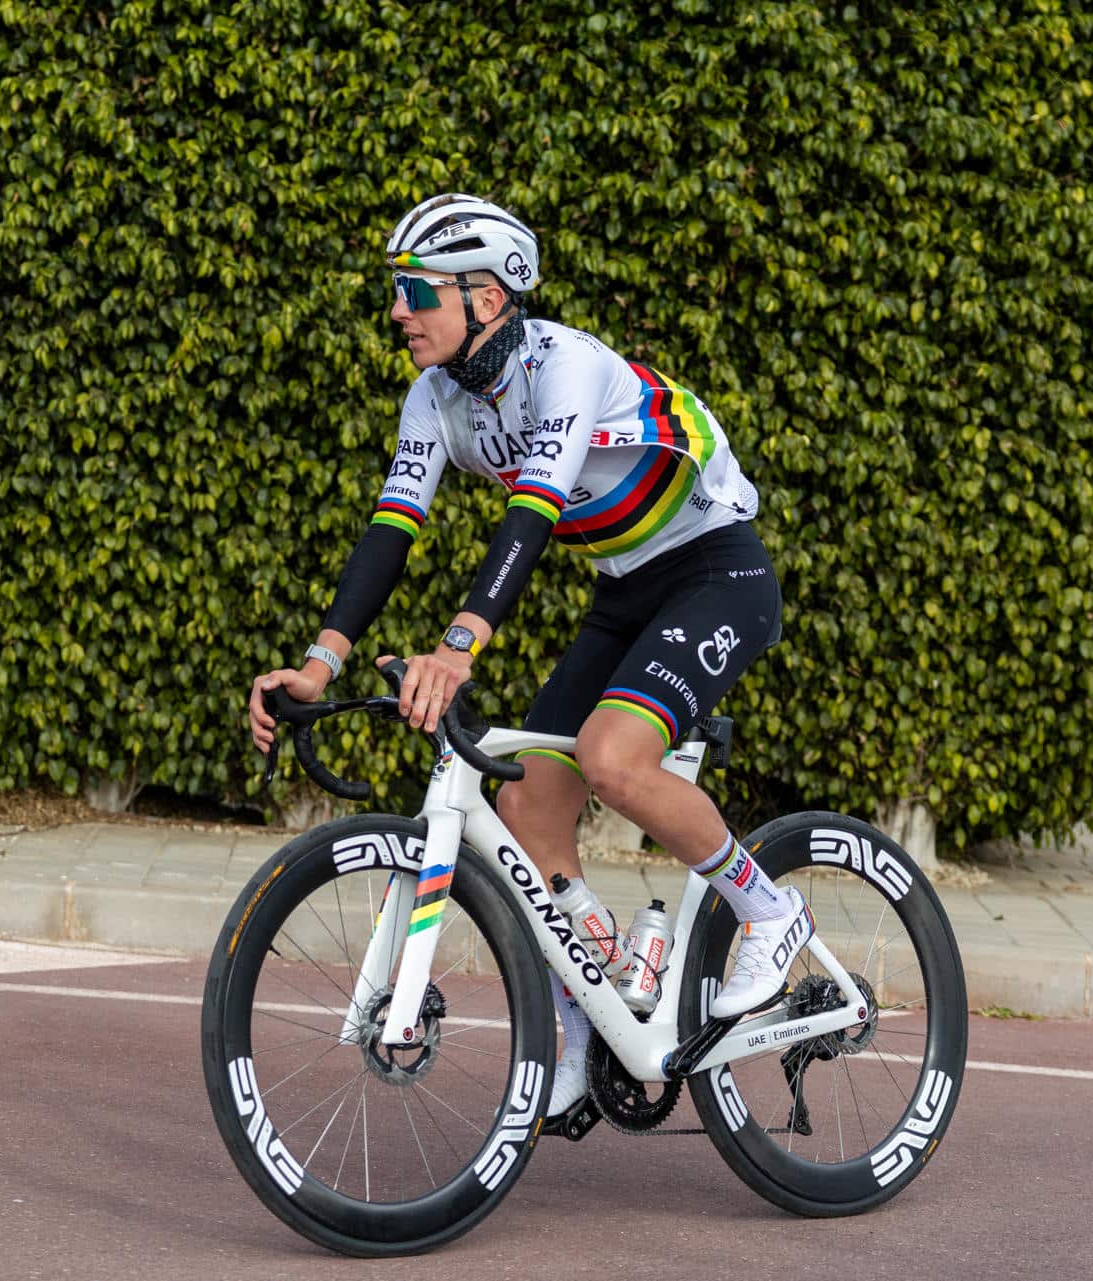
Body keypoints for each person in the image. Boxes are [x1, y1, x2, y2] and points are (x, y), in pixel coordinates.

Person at [248, 194, 804, 1114]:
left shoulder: (568, 368)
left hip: (718, 572)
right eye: (397, 289)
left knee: (610, 757)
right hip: (627, 591)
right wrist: (319, 663)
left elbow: (532, 514)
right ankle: (586, 1023)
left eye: (417, 290)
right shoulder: (433, 399)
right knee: (526, 803)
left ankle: (770, 912)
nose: (399, 309)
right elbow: (391, 530)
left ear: (490, 299)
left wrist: (459, 645)